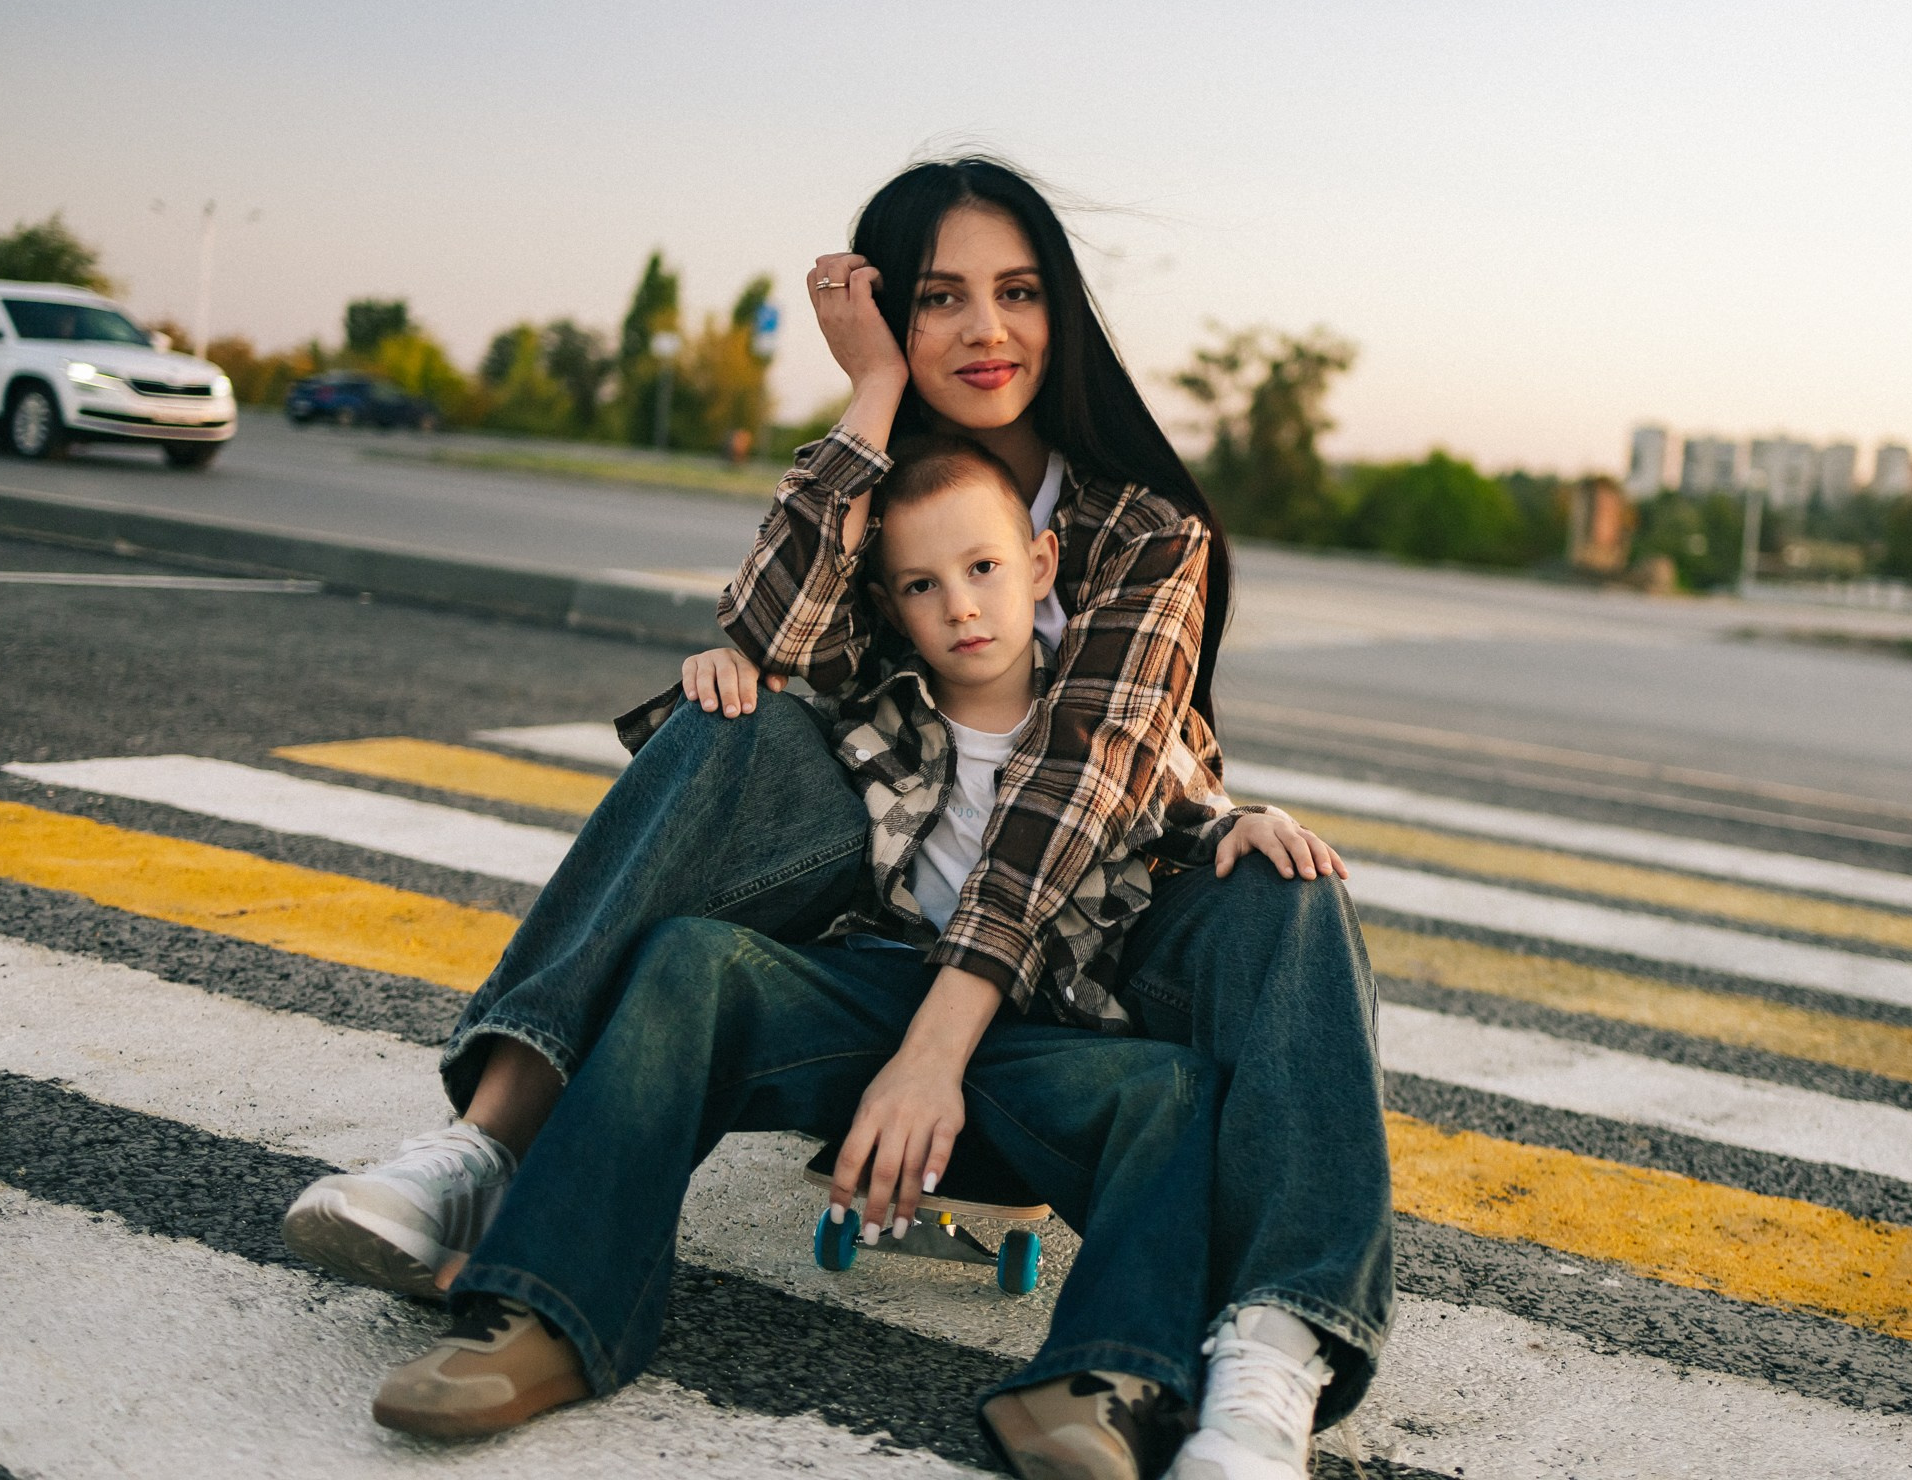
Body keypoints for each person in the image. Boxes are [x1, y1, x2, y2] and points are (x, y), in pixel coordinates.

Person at [281, 157, 1396, 1480]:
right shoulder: (890, 498)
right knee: (720, 740)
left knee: (1295, 892)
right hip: (871, 946)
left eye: (1019, 291)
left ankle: (1258, 1365)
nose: (986, 331)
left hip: (1078, 974)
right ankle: (495, 1188)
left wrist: (946, 1044)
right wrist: (866, 406)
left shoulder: (1145, 528)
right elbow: (766, 643)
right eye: (939, 299)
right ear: (884, 312)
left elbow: (1079, 784)